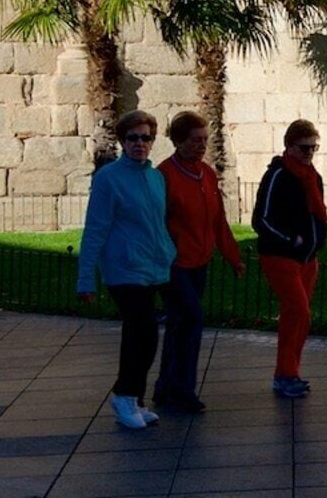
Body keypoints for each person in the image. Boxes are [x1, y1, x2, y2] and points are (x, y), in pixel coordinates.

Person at [76, 111, 173, 430]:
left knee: (147, 337)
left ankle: (134, 398)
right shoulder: (109, 178)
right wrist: (86, 277)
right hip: (123, 269)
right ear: (122, 141)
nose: (140, 144)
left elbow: (157, 224)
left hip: (152, 267)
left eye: (146, 137)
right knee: (140, 333)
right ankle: (123, 395)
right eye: (133, 138)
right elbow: (95, 229)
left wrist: (168, 253)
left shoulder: (155, 177)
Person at [153, 110, 244, 415]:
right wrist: (166, 255)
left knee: (180, 323)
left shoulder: (205, 173)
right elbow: (158, 221)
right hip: (174, 263)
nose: (201, 145)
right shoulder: (164, 175)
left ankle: (165, 387)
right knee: (191, 320)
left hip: (199, 260)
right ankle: (182, 389)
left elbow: (218, 220)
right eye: (194, 140)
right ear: (178, 141)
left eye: (204, 140)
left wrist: (233, 256)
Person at [248, 119, 327, 399]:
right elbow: (261, 219)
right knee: (298, 310)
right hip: (281, 255)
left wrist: (318, 238)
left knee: (299, 317)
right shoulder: (278, 175)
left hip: (307, 256)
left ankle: (290, 371)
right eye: (304, 147)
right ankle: (284, 373)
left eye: (313, 147)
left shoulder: (311, 176)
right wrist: (288, 240)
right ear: (289, 146)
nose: (309, 153)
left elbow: (317, 211)